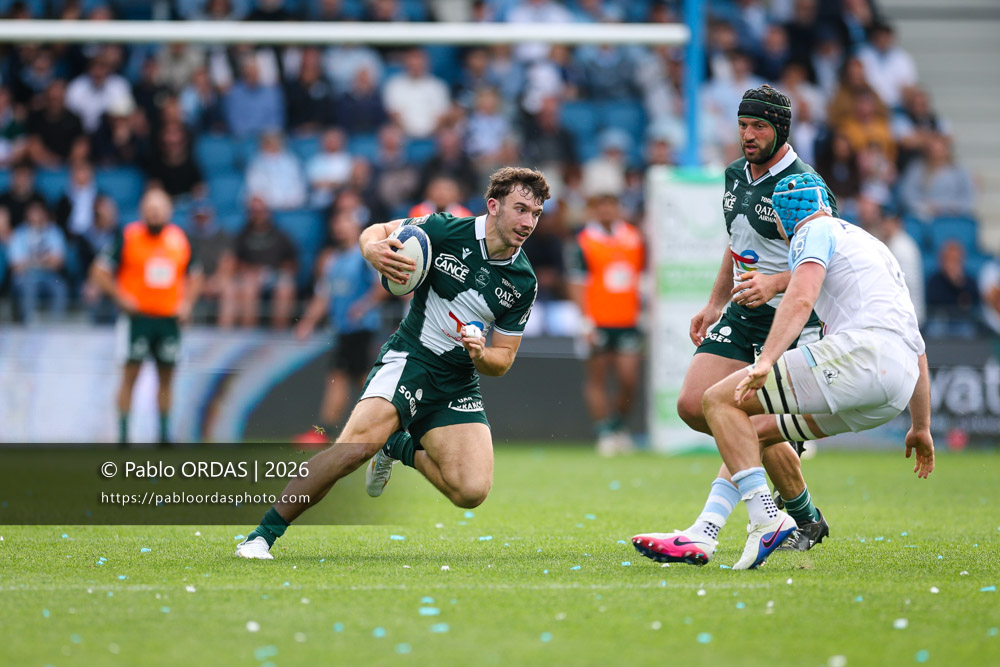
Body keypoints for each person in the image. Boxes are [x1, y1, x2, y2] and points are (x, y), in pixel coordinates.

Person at [235, 166, 550, 559]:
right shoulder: (445, 230)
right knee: (352, 449)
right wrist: (371, 249)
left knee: (471, 491)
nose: (527, 222)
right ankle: (261, 536)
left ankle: (398, 447)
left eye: (535, 214)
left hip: (457, 379)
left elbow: (502, 360)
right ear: (493, 205)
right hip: (411, 359)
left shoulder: (523, 282)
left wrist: (481, 353)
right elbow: (378, 230)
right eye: (520, 209)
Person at [633, 85, 837, 566]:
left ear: (780, 130)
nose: (748, 134)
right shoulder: (734, 175)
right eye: (743, 125)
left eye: (759, 126)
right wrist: (714, 303)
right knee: (694, 405)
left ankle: (709, 529)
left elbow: (831, 260)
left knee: (750, 423)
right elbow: (735, 243)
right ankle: (801, 516)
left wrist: (773, 284)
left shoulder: (802, 185)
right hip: (743, 313)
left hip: (792, 323)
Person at [695, 172, 933, 569]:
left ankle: (767, 520)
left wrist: (767, 358)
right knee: (754, 432)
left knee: (717, 400)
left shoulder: (810, 231)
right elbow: (917, 345)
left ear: (785, 224)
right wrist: (921, 426)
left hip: (861, 357)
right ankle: (713, 526)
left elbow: (802, 295)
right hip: (895, 386)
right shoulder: (870, 244)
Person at [91, 189, 203, 445]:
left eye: (159, 208)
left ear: (169, 212)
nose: (155, 213)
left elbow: (196, 275)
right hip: (137, 319)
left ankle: (164, 437)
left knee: (167, 378)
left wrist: (187, 304)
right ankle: (123, 437)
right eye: (150, 209)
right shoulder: (129, 237)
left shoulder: (179, 239)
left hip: (168, 319)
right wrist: (120, 298)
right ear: (143, 211)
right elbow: (98, 271)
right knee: (130, 375)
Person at [568, 164, 644, 455]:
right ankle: (604, 432)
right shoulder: (584, 241)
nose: (607, 210)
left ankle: (618, 425)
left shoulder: (634, 238)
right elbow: (576, 283)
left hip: (627, 319)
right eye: (601, 205)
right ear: (593, 209)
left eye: (611, 204)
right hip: (597, 319)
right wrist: (585, 321)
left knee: (628, 379)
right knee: (598, 378)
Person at [295, 211, 384, 440]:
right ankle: (325, 431)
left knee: (357, 381)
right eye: (337, 222)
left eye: (345, 222)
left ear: (358, 228)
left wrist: (363, 307)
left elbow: (383, 286)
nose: (339, 227)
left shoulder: (365, 256)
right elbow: (324, 296)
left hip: (363, 330)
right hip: (344, 331)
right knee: (344, 379)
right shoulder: (332, 260)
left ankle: (326, 432)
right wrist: (307, 322)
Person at [8, 200, 69, 324]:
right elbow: (16, 265)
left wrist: (30, 261)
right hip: (25, 277)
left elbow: (58, 263)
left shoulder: (54, 232)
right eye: (33, 212)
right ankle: (28, 326)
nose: (36, 216)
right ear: (27, 215)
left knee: (60, 287)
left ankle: (55, 325)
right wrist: (43, 261)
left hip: (49, 277)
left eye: (39, 212)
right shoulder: (19, 234)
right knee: (27, 287)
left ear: (45, 214)